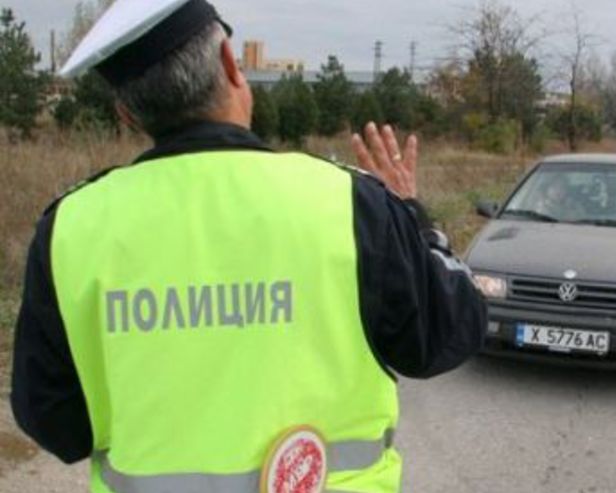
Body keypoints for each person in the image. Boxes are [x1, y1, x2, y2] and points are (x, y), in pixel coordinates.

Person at [9, 1, 486, 492]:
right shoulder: (351, 204)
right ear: (232, 65)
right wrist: (412, 216)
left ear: (126, 114)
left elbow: (55, 422)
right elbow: (447, 334)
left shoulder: (71, 227)